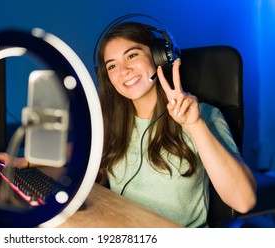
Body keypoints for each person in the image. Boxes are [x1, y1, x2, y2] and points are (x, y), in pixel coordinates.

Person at [95, 21, 256, 227]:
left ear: (158, 56)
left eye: (132, 55)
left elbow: (244, 201)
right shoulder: (111, 123)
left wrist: (195, 125)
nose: (123, 70)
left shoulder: (204, 116)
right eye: (112, 65)